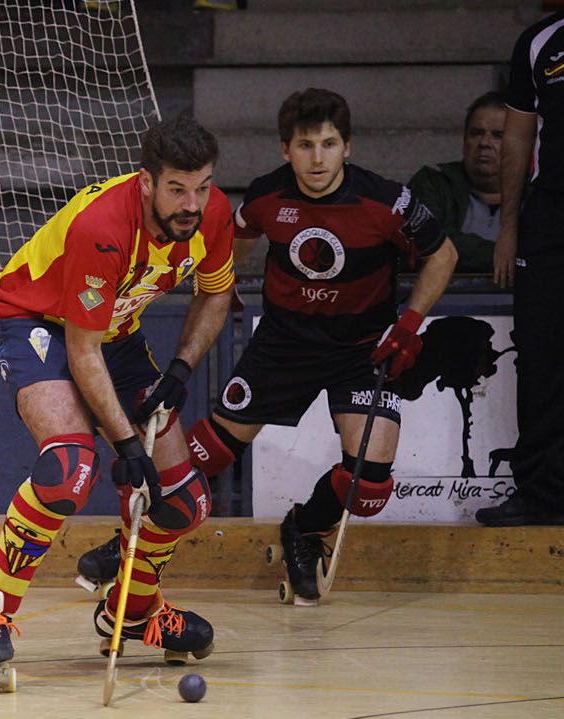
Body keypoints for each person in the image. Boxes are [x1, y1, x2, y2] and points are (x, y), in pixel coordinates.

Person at [152, 88, 457, 605]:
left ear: (348, 146)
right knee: (204, 457)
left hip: (361, 351)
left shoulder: (386, 200)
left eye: (329, 144)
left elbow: (443, 254)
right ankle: (131, 549)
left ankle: (304, 528)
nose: (318, 158)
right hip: (283, 345)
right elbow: (231, 244)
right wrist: (222, 284)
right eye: (305, 145)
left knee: (369, 486)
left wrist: (407, 325)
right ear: (284, 150)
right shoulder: (266, 197)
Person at [0, 113, 235, 681]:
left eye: (203, 187)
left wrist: (181, 369)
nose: (193, 203)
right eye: (177, 189)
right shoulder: (103, 226)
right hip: (34, 319)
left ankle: (131, 615)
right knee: (69, 469)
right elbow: (82, 353)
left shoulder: (213, 214)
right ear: (145, 183)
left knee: (183, 502)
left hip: (114, 328)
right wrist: (126, 446)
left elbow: (216, 294)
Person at [478, 10, 564, 526]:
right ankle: (540, 493)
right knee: (540, 359)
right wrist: (508, 227)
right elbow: (517, 137)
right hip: (551, 216)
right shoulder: (540, 41)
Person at [407, 91, 506, 276]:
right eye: (476, 133)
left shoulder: (539, 195)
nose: (484, 143)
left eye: (498, 135)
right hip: (443, 302)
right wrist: (510, 258)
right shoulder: (432, 182)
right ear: (464, 140)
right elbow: (429, 241)